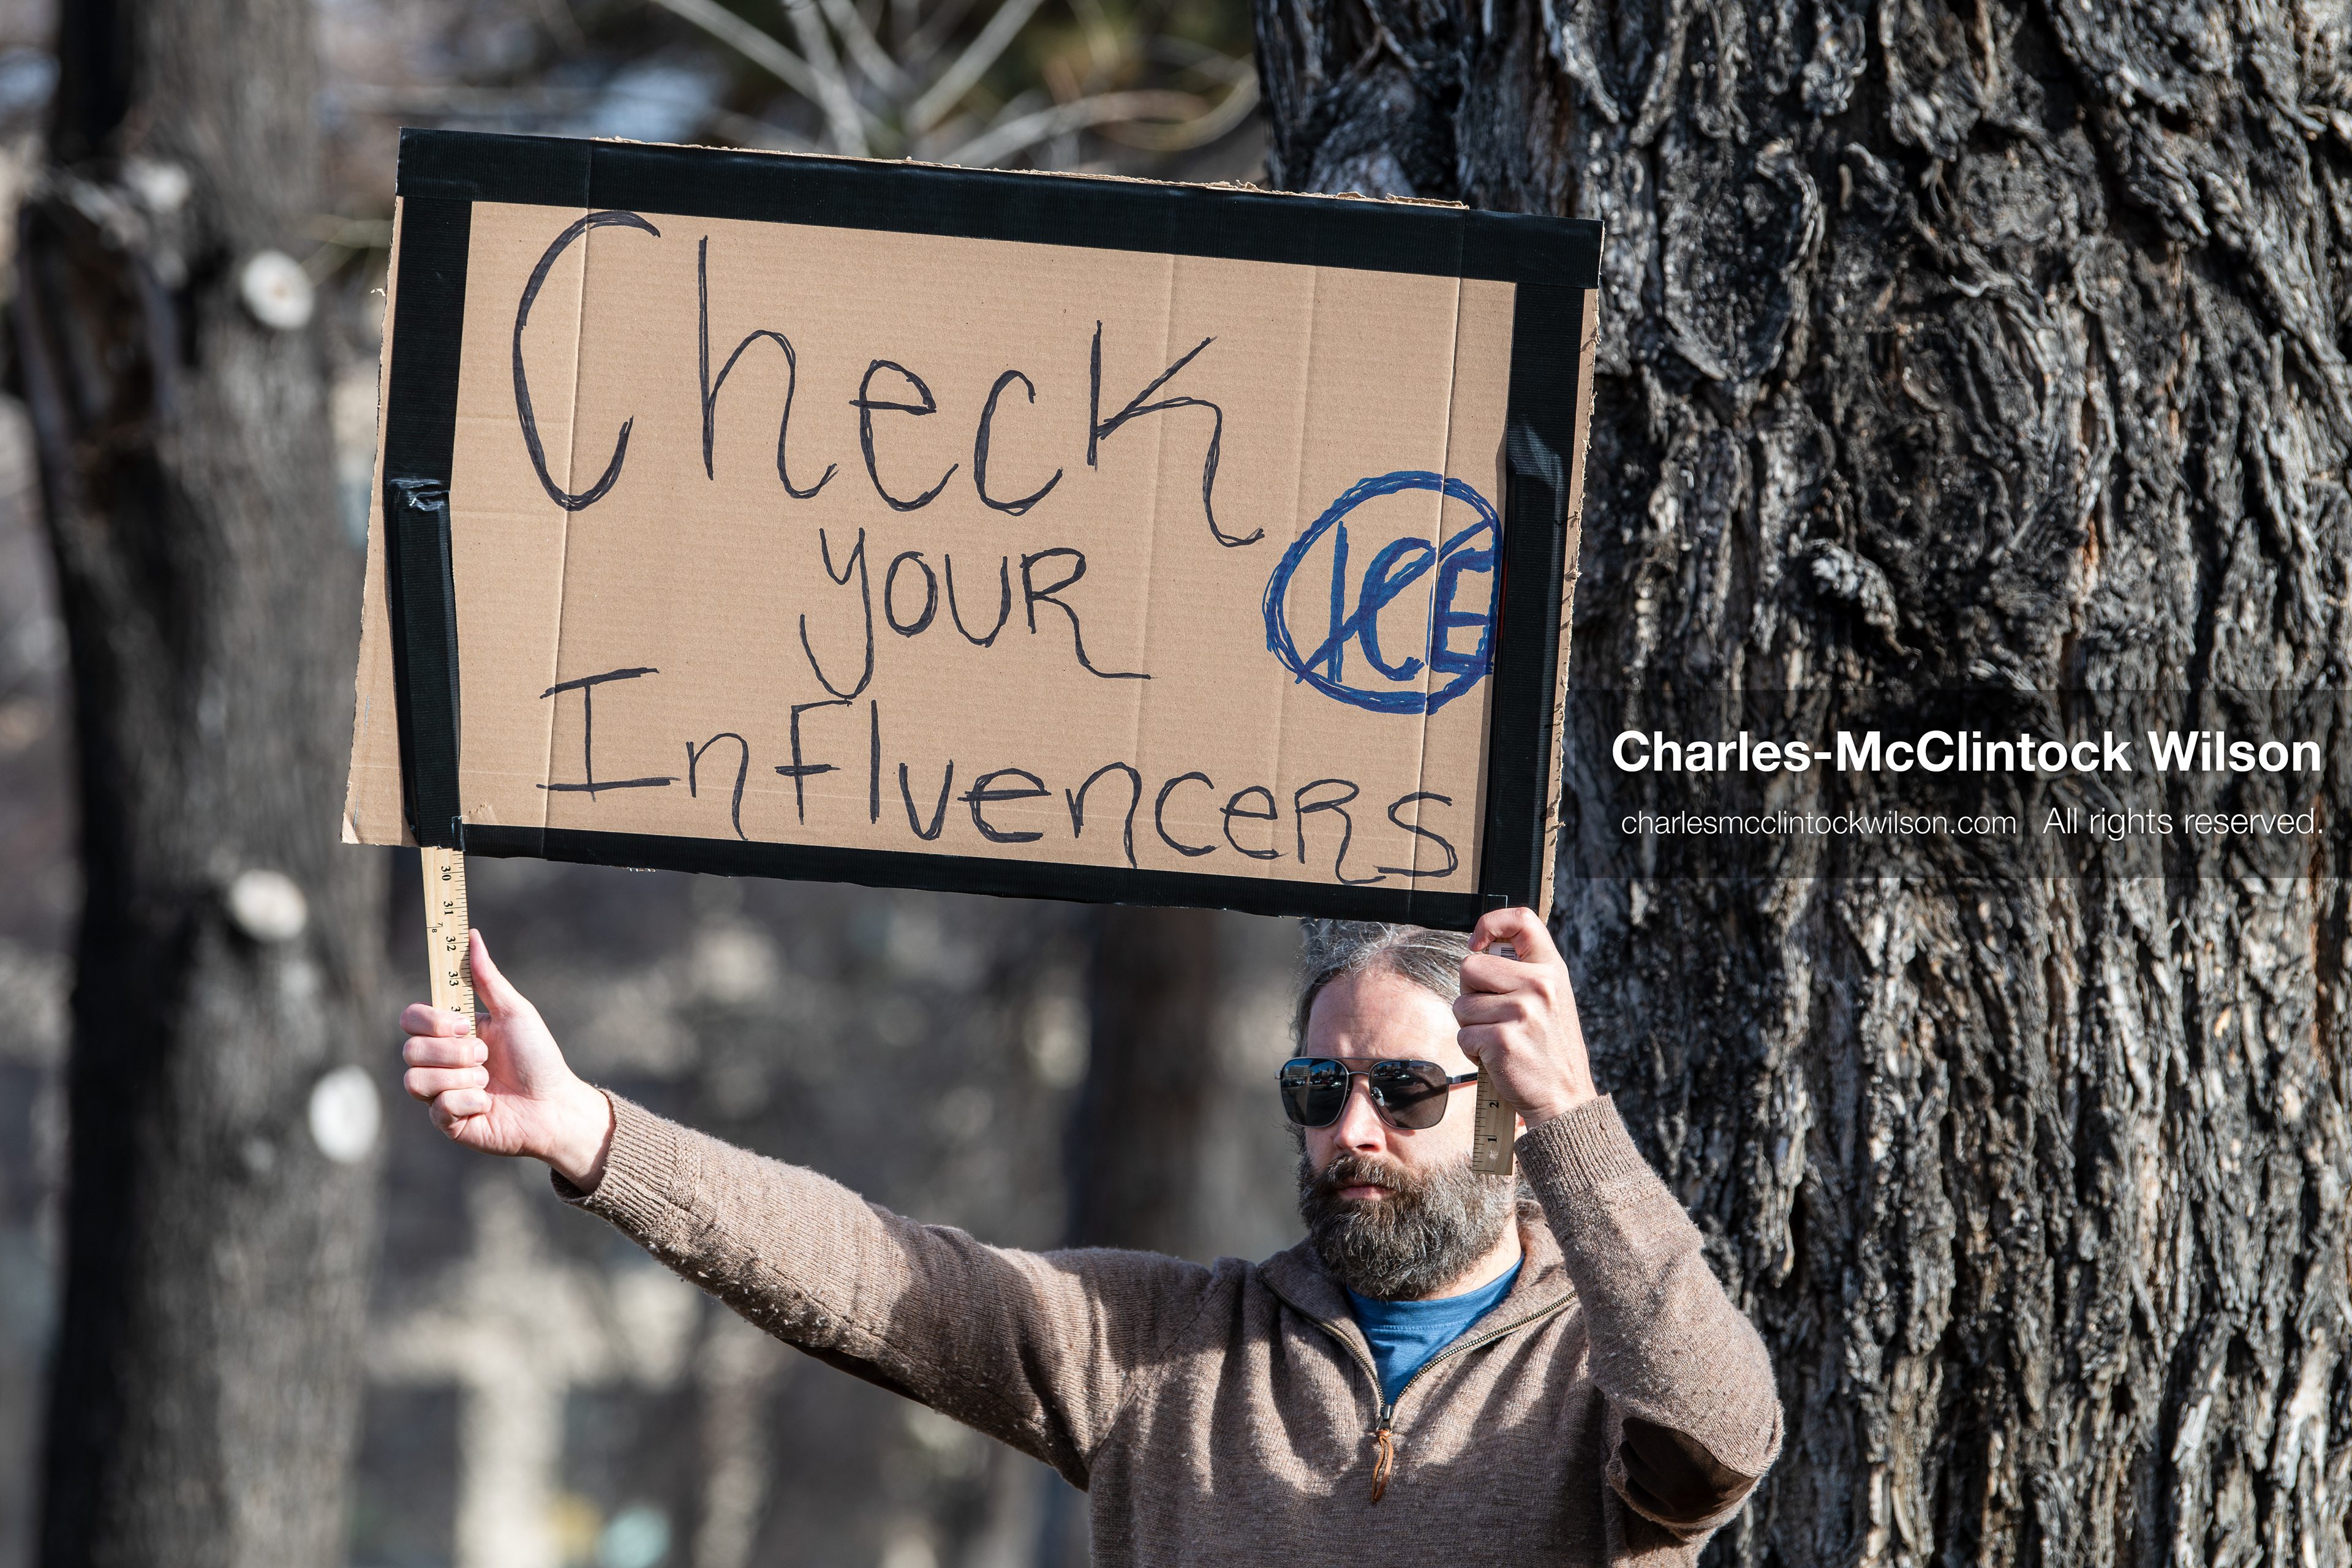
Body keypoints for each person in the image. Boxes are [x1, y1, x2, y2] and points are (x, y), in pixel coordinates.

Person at [399, 905, 1780, 1561]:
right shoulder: (1163, 1348)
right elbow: (869, 1268)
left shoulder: (1603, 1381)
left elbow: (1721, 1427)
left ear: (1510, 1112)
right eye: (1321, 1087)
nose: (1353, 1128)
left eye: (1408, 1089)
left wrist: (1579, 1120)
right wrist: (592, 1133)